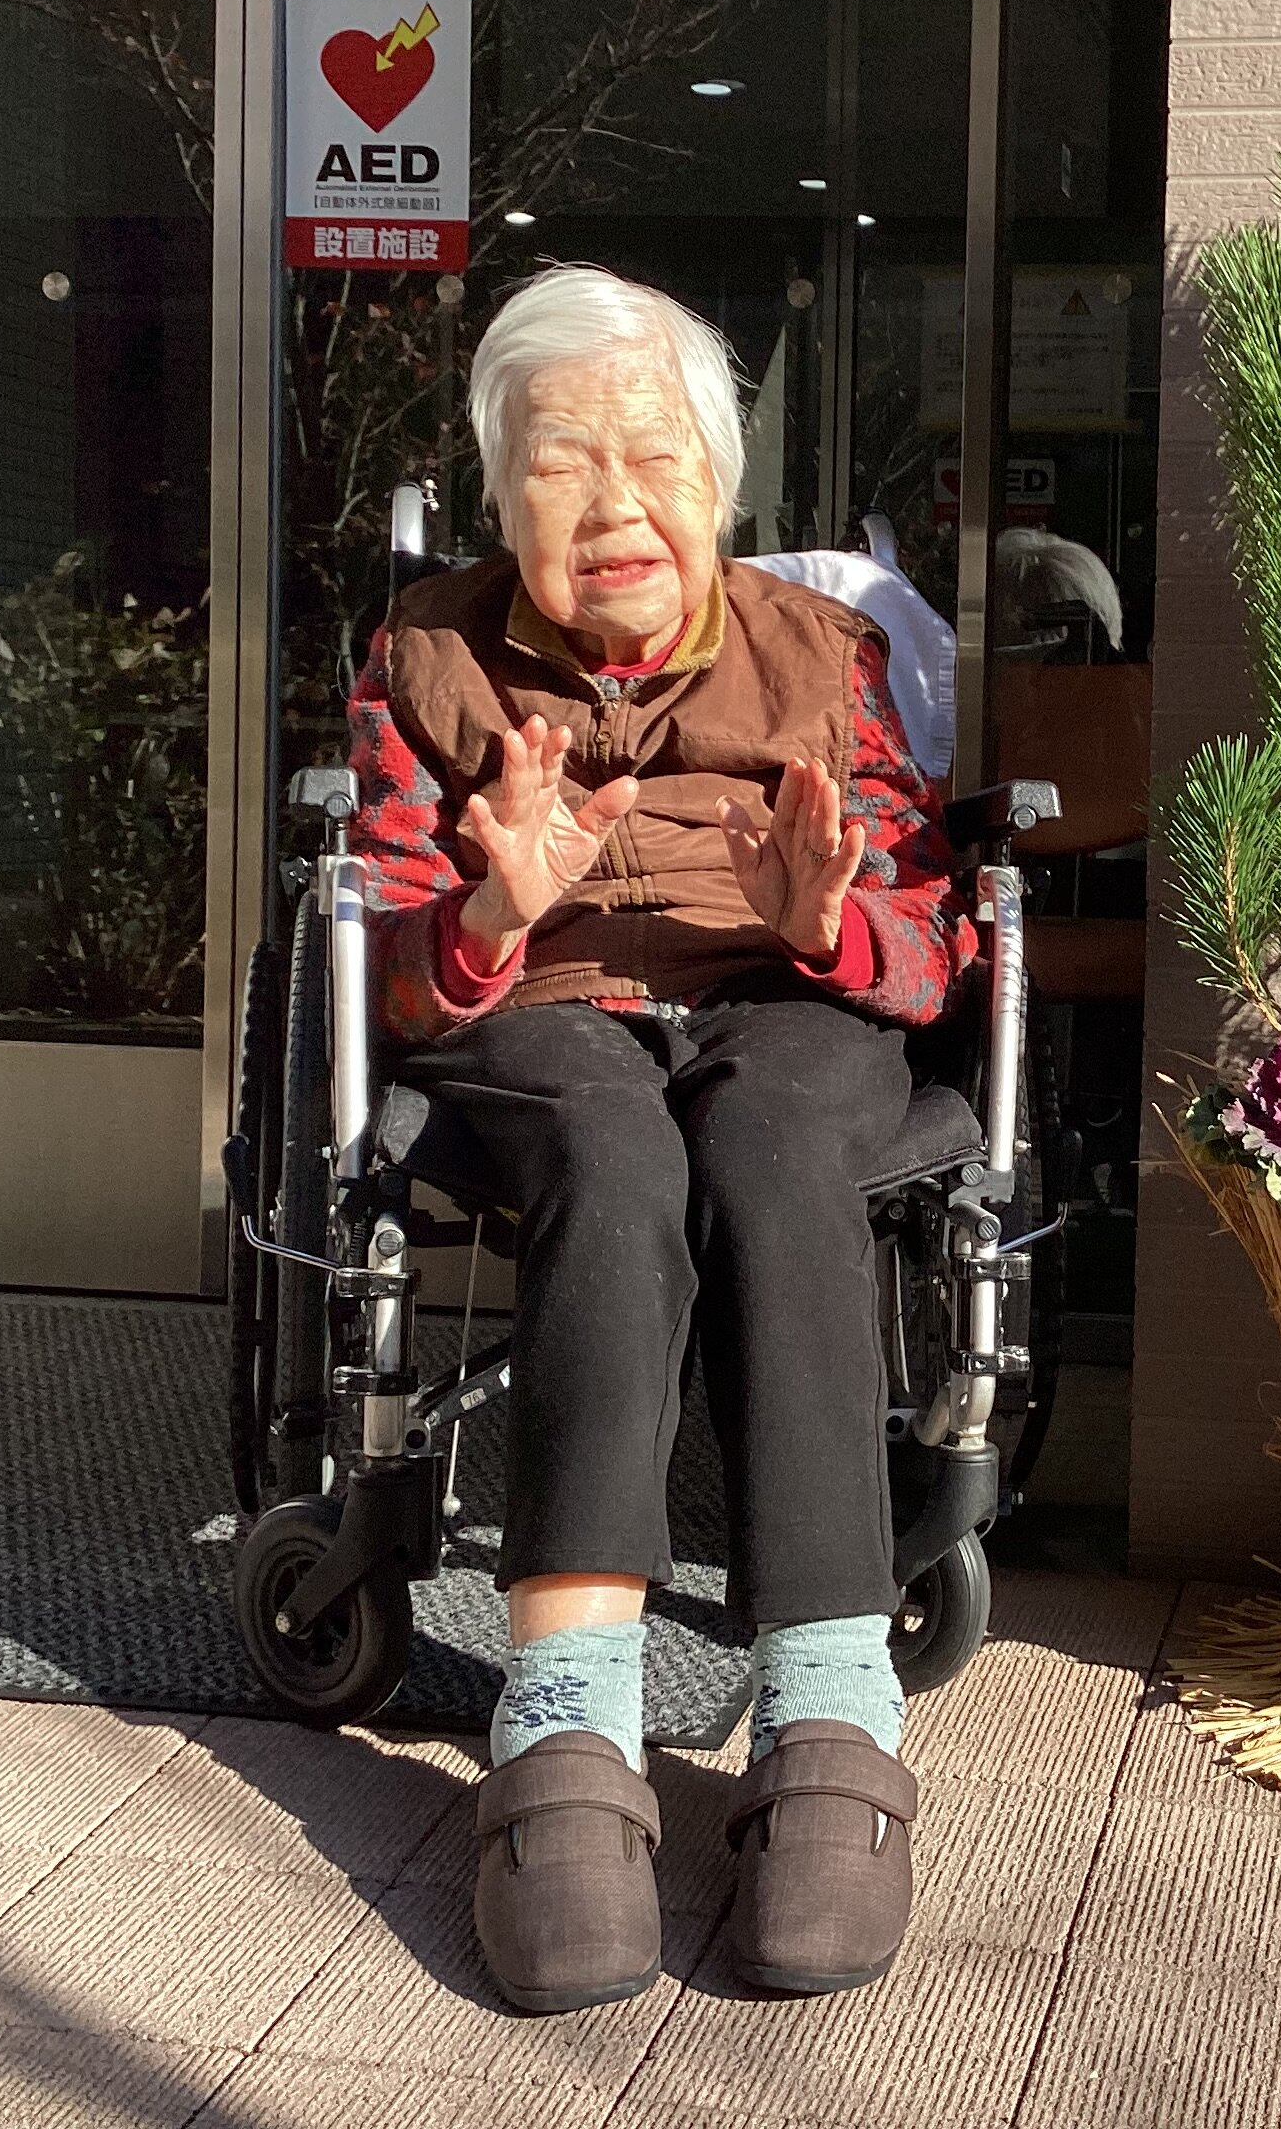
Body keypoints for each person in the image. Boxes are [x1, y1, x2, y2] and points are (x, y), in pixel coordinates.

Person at [342, 264, 961, 2012]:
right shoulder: (425, 657)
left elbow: (930, 939)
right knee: (615, 1161)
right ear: (501, 497)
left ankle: (829, 1708)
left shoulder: (823, 656)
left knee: (775, 1152)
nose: (614, 502)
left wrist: (825, 926)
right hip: (541, 1008)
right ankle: (564, 1728)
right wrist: (488, 911)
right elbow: (381, 958)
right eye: (562, 462)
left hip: (784, 1000)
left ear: (719, 482)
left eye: (654, 455)